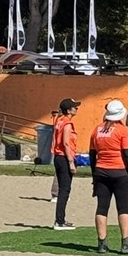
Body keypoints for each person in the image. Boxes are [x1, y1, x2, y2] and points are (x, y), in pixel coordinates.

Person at [89, 99, 128, 254]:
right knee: (123, 208)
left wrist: (94, 176)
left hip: (100, 171)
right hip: (119, 172)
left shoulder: (97, 130)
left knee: (101, 208)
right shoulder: (122, 130)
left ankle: (102, 243)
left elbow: (92, 155)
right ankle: (126, 243)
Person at [52, 97, 80, 230]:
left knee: (62, 189)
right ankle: (59, 221)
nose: (77, 109)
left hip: (58, 157)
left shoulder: (59, 121)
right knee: (65, 190)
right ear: (69, 110)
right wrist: (71, 162)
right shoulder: (67, 124)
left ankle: (60, 219)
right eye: (75, 107)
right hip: (64, 157)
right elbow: (66, 143)